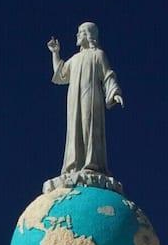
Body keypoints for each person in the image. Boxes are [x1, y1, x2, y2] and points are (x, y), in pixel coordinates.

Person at [48, 22, 124, 176]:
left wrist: (114, 92)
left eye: (81, 32)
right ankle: (74, 164)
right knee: (75, 128)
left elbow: (108, 75)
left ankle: (92, 164)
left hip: (91, 96)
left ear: (89, 35)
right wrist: (55, 53)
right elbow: (61, 74)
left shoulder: (98, 55)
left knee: (89, 127)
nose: (77, 35)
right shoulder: (75, 58)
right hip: (74, 99)